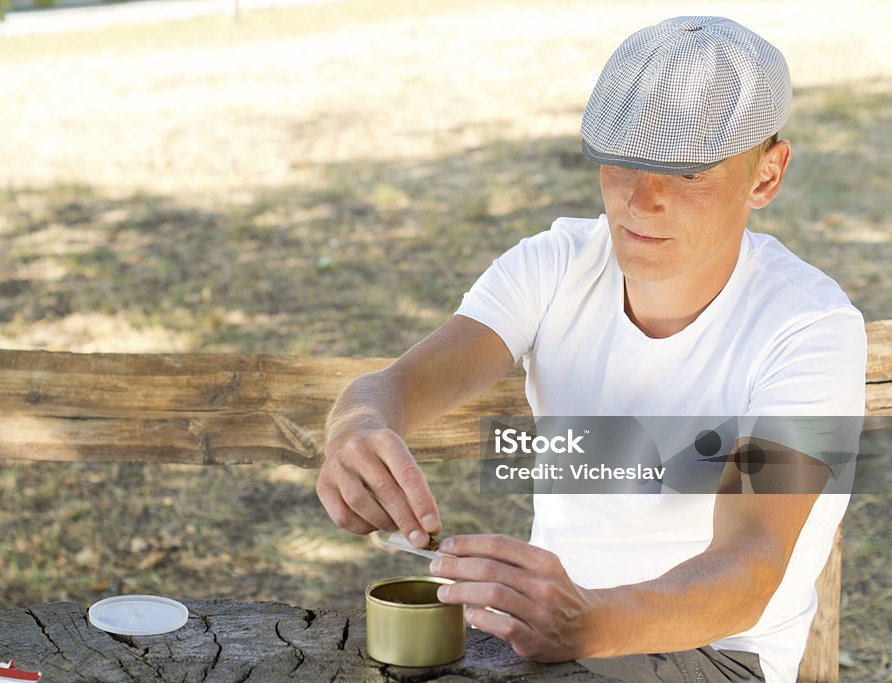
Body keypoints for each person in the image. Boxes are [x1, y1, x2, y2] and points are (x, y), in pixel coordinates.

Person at [316, 16, 866, 683]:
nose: (642, 198)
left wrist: (591, 619)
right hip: (543, 639)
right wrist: (358, 427)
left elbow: (749, 567)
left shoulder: (809, 327)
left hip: (717, 650)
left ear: (766, 176)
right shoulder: (554, 266)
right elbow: (392, 386)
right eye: (624, 159)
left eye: (688, 172)